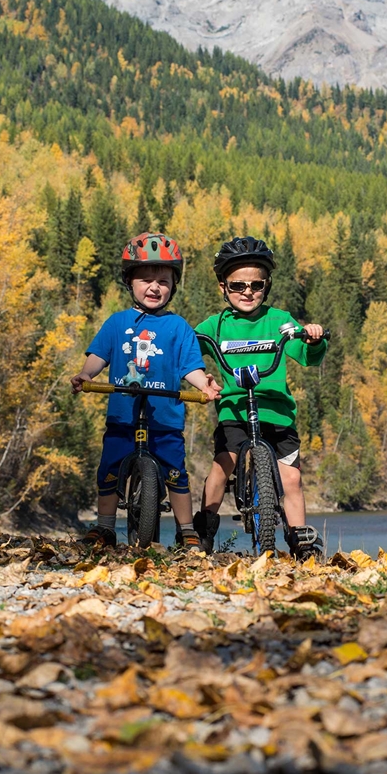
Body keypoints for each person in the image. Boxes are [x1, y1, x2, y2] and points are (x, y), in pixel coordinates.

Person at [71, 232, 221, 551]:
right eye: (146, 279)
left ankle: (186, 530)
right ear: (130, 282)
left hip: (165, 418)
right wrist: (86, 375)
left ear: (173, 286)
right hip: (123, 414)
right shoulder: (117, 323)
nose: (154, 287)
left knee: (176, 473)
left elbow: (189, 366)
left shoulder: (178, 327)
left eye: (163, 281)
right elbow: (98, 355)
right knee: (110, 469)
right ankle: (105, 526)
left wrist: (204, 385)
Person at [194, 236, 327, 560]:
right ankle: (203, 531)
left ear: (266, 285)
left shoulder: (279, 321)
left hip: (277, 412)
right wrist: (196, 374)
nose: (248, 291)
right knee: (222, 467)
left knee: (292, 478)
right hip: (235, 410)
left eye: (257, 284)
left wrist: (311, 338)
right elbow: (188, 352)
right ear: (223, 287)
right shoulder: (215, 325)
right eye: (238, 285)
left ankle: (301, 541)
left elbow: (309, 357)